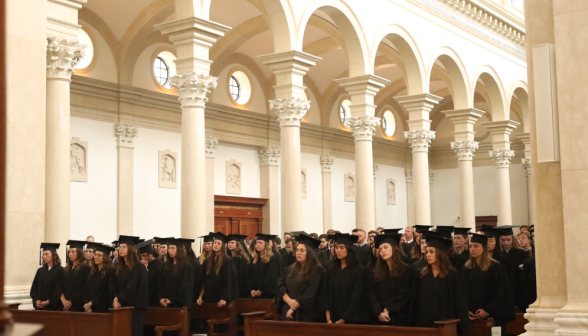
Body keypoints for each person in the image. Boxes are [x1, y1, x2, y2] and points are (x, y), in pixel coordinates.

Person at [461, 233, 516, 328]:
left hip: (491, 316)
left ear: (484, 248)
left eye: (476, 246)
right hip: (470, 317)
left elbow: (501, 293)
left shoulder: (495, 267)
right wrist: (465, 310)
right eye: (470, 246)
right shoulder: (466, 268)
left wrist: (487, 311)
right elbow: (461, 292)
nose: (472, 249)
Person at [417, 235, 470, 332]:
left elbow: (460, 305)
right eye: (427, 252)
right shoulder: (423, 276)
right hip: (426, 326)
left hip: (446, 326)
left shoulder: (454, 276)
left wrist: (462, 329)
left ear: (441, 254)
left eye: (432, 252)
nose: (427, 255)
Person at [369, 234, 418, 326]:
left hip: (401, 316)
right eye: (380, 249)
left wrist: (387, 309)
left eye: (385, 247)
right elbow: (373, 295)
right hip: (380, 318)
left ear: (394, 248)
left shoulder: (407, 270)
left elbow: (404, 294)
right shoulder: (377, 272)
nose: (382, 251)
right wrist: (379, 313)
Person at [276, 234, 324, 322]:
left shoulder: (317, 270)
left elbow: (311, 293)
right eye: (297, 250)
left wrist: (294, 307)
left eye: (302, 250)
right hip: (287, 309)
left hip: (304, 313)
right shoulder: (290, 268)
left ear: (310, 253)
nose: (298, 252)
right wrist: (289, 301)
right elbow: (281, 286)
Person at [325, 233, 371, 324]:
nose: (338, 250)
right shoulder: (331, 269)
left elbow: (357, 296)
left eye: (341, 248)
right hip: (332, 318)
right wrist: (328, 318)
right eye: (337, 247)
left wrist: (344, 319)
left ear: (349, 249)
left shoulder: (359, 270)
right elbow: (325, 293)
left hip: (352, 319)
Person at [111, 235, 149, 336]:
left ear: (131, 249)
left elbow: (131, 287)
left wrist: (118, 298)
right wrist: (116, 298)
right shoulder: (120, 267)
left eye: (124, 247)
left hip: (134, 308)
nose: (121, 250)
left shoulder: (138, 267)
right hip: (122, 306)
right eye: (120, 247)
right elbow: (116, 286)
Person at [197, 232, 238, 306]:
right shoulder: (207, 260)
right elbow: (203, 280)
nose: (216, 245)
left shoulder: (227, 260)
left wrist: (224, 298)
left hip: (221, 298)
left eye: (219, 243)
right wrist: (200, 296)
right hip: (208, 296)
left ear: (223, 246)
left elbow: (229, 281)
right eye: (215, 243)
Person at [158, 238, 193, 311]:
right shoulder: (166, 265)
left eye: (173, 248)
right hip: (166, 303)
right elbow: (160, 282)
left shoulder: (186, 266)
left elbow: (184, 286)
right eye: (169, 248)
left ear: (179, 250)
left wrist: (172, 299)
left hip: (179, 304)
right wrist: (161, 298)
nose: (170, 251)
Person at [58, 240, 91, 312]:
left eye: (73, 252)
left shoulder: (85, 268)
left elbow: (81, 288)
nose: (70, 254)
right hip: (63, 305)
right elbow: (59, 286)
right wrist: (64, 301)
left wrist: (69, 303)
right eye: (69, 252)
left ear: (79, 253)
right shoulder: (66, 269)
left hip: (77, 305)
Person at [31, 243, 63, 310]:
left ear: (53, 255)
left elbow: (59, 289)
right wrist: (36, 300)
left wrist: (49, 301)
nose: (44, 256)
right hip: (40, 307)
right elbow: (34, 288)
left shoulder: (61, 270)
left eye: (46, 254)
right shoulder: (40, 271)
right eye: (43, 254)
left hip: (54, 308)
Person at [84, 243, 114, 313]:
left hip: (102, 309)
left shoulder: (110, 272)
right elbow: (85, 289)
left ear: (105, 257)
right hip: (89, 309)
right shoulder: (92, 272)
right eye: (95, 254)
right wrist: (87, 305)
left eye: (99, 255)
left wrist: (91, 303)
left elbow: (105, 292)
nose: (95, 257)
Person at [249, 233, 281, 299]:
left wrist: (261, 290)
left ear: (266, 245)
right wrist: (251, 289)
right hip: (254, 293)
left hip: (267, 293)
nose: (257, 244)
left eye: (260, 243)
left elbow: (271, 276)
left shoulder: (274, 257)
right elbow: (250, 274)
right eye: (256, 243)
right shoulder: (255, 258)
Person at [138, 239, 164, 307]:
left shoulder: (159, 264)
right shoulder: (146, 264)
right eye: (141, 256)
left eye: (144, 255)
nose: (143, 258)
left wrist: (146, 269)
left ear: (150, 254)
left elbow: (152, 280)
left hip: (155, 297)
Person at [227, 233, 251, 298]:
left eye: (232, 243)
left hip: (239, 288)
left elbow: (241, 275)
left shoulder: (241, 258)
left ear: (237, 244)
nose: (230, 244)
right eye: (229, 243)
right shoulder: (228, 257)